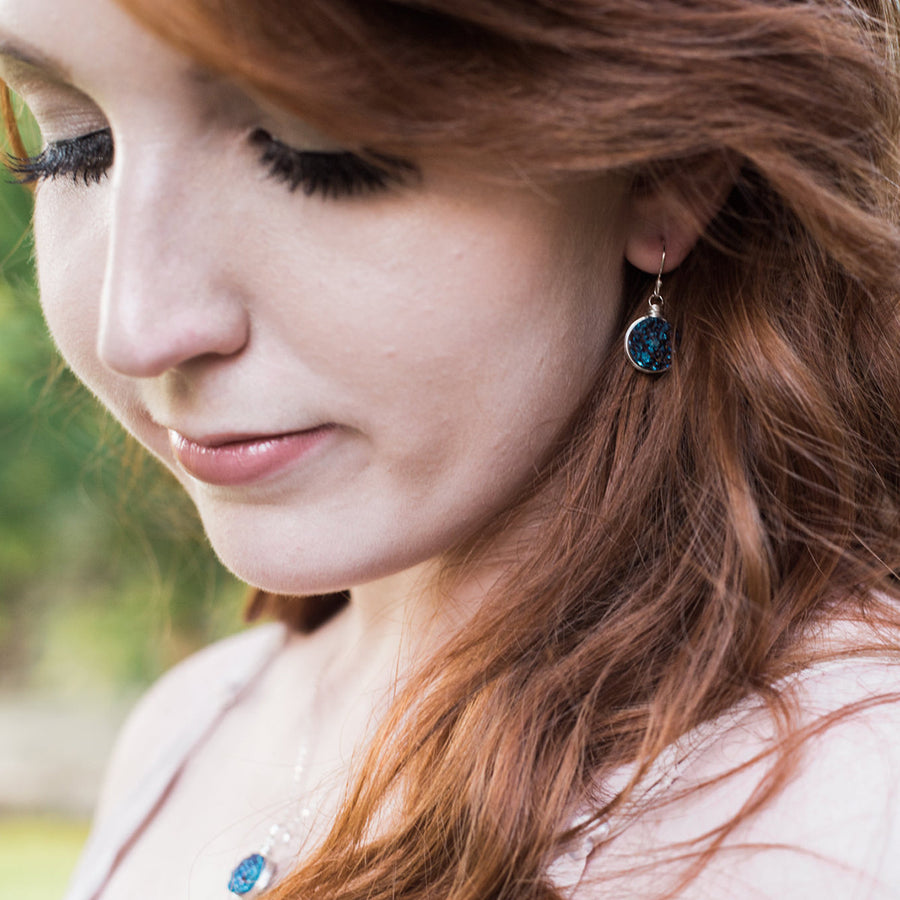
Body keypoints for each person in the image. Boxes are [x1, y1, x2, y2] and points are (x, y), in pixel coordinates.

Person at [2, 0, 900, 896]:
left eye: (310, 144)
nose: (140, 328)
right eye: (76, 146)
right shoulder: (192, 725)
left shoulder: (847, 818)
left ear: (668, 163)